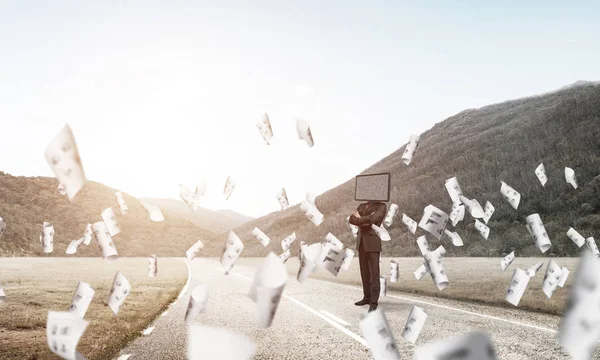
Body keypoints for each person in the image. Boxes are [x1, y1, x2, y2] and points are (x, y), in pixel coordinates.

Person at [349, 201, 387, 312]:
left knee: (374, 273)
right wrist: (366, 219)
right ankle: (367, 297)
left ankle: (374, 302)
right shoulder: (361, 206)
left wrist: (360, 219)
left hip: (373, 243)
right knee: (364, 272)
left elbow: (374, 220)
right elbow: (352, 219)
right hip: (361, 243)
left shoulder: (381, 206)